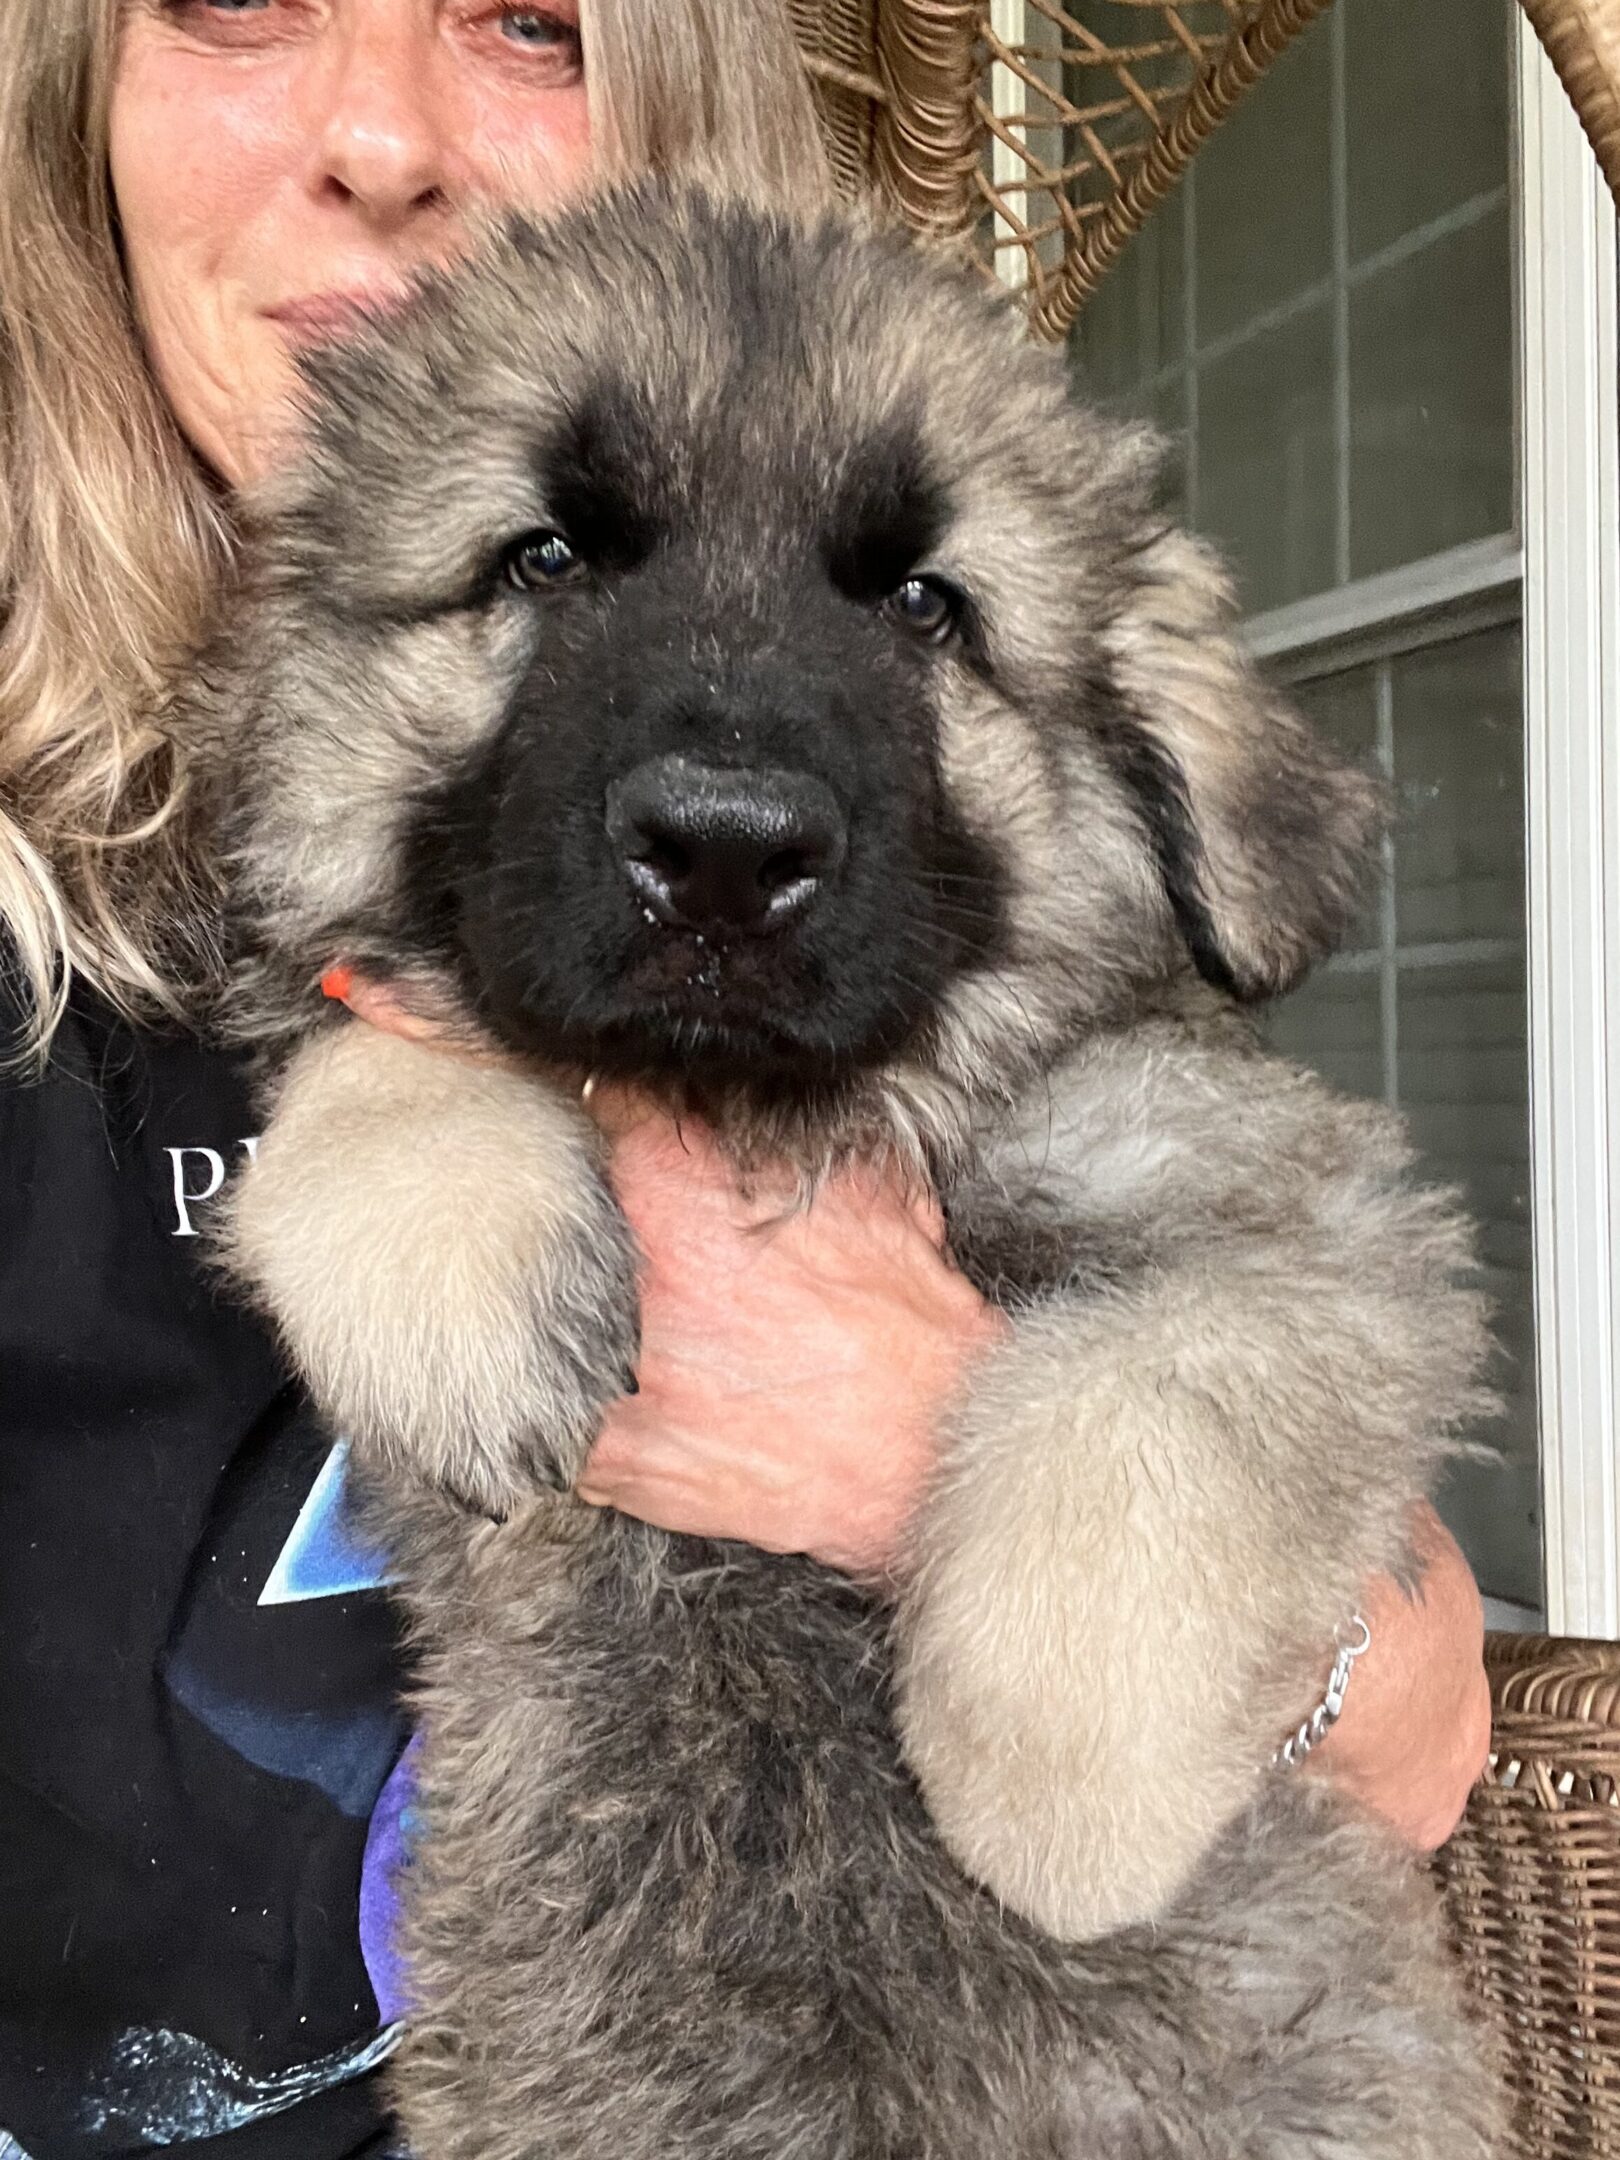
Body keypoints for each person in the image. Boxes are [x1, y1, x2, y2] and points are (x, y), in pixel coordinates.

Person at [0, 2, 1491, 2155]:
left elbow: (1419, 1729)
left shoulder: (1070, 1034)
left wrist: (932, 1445)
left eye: (529, 20)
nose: (382, 136)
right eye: (542, 562)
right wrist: (402, 1129)